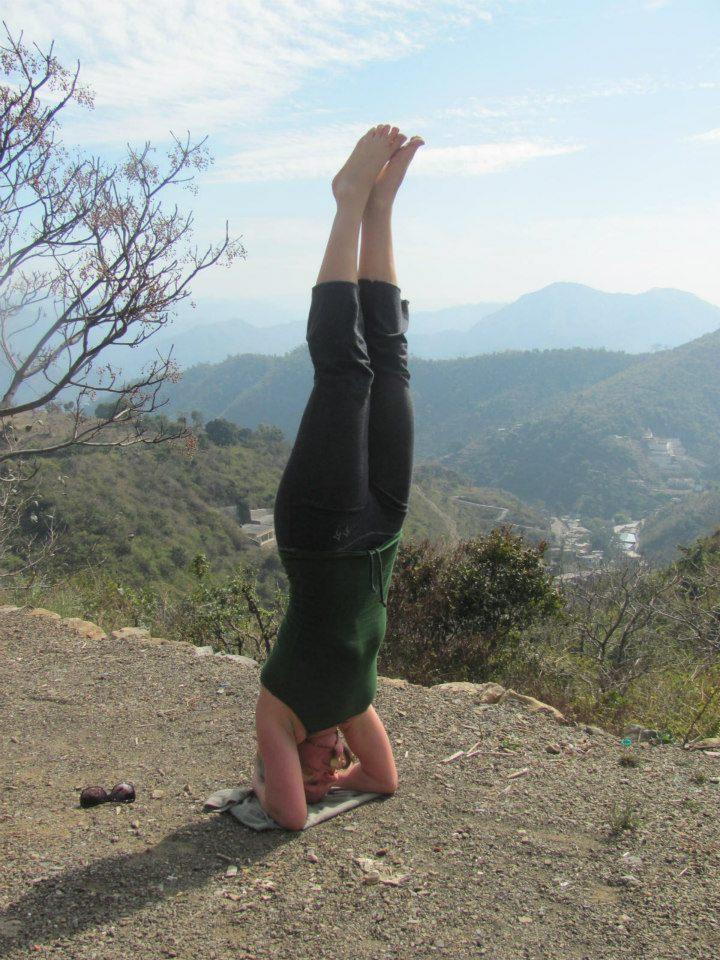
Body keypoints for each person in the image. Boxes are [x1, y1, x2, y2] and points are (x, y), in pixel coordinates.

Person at [252, 125, 424, 830]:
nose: (324, 773)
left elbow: (290, 819)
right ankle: (380, 213)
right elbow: (382, 781)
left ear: (282, 758)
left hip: (319, 533)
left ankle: (345, 203)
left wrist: (286, 782)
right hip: (382, 525)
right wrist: (344, 766)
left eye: (312, 770)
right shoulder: (352, 705)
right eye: (328, 775)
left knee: (345, 373)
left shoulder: (279, 705)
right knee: (391, 360)